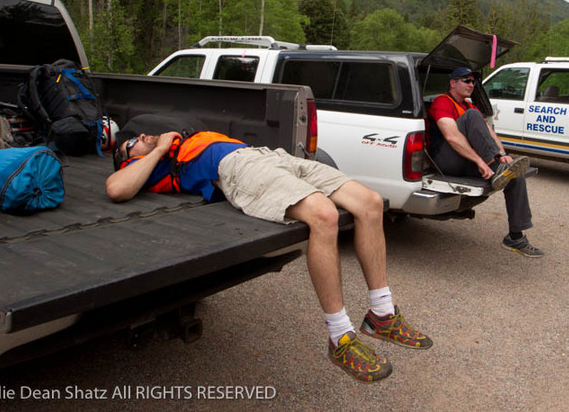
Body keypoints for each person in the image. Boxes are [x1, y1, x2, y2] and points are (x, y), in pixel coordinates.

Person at [106, 128, 432, 382]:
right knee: (323, 215)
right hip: (236, 167)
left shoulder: (174, 145)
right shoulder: (152, 167)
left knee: (370, 202)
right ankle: (340, 337)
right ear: (129, 159)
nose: (143, 137)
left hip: (266, 155)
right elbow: (116, 189)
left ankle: (382, 314)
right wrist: (160, 148)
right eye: (132, 143)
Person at [427, 67, 544, 257]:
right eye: (466, 80)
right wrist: (482, 161)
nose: (471, 85)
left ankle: (515, 236)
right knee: (473, 118)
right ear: (453, 83)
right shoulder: (442, 102)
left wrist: (502, 154)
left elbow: (490, 134)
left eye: (473, 81)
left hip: (468, 160)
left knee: (514, 173)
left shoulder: (470, 107)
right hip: (445, 160)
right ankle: (496, 167)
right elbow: (451, 137)